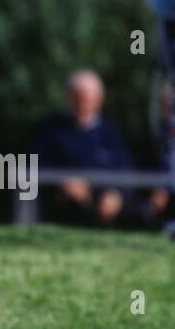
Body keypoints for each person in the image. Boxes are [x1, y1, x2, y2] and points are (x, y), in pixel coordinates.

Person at [31, 70, 172, 229]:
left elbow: (125, 169)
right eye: (78, 96)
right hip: (65, 203)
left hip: (107, 203)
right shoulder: (49, 130)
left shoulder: (111, 132)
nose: (82, 101)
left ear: (99, 100)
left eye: (87, 97)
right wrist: (63, 182)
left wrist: (116, 193)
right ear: (68, 97)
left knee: (145, 211)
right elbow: (36, 164)